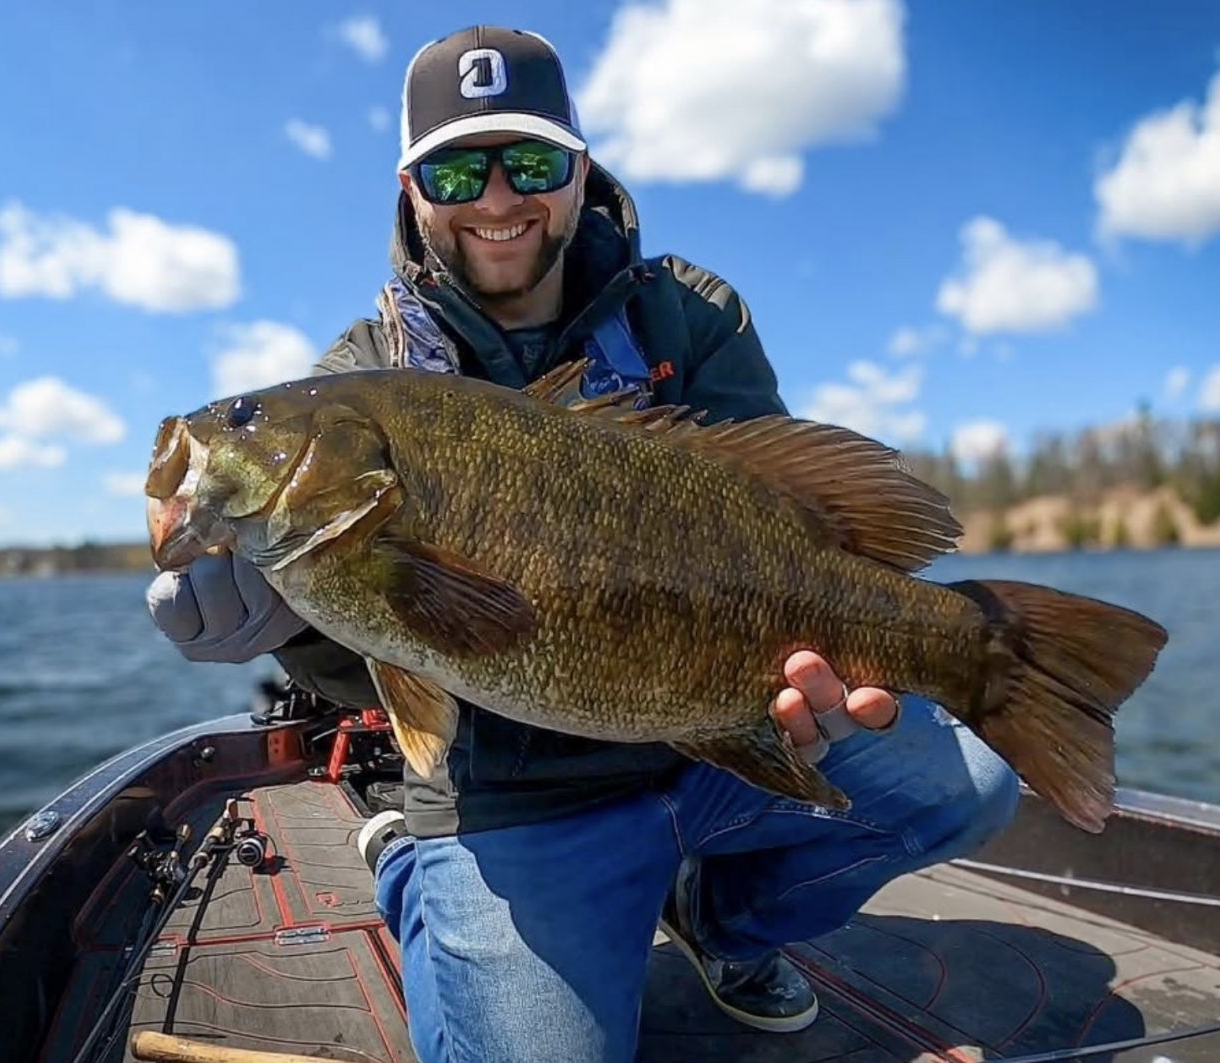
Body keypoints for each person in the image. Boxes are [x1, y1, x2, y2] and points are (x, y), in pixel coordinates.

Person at [147, 25, 1020, 1063]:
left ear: (580, 168)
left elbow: (781, 517)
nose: (498, 197)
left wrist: (814, 680)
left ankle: (719, 918)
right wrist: (285, 627)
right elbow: (396, 655)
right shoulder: (366, 372)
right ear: (411, 190)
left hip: (701, 735)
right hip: (514, 798)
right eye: (457, 167)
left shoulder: (685, 317)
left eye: (532, 161)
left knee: (965, 782)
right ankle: (408, 853)